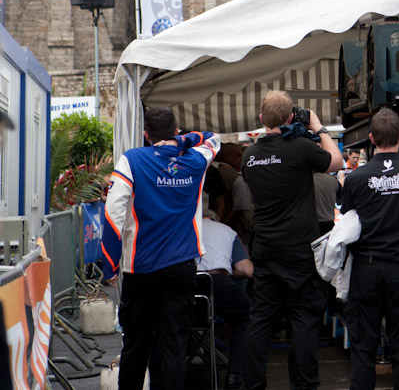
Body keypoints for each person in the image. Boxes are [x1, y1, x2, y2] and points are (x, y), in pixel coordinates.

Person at [100, 106, 221, 390]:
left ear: (145, 134)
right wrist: (180, 142)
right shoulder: (195, 159)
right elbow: (213, 138)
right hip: (181, 268)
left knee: (135, 345)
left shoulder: (132, 159)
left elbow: (112, 214)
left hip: (140, 269)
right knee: (173, 346)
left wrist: (110, 264)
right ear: (176, 131)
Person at [242, 91, 343, 390]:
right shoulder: (300, 148)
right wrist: (318, 126)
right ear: (290, 118)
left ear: (261, 118)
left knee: (260, 321)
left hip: (265, 248)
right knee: (303, 321)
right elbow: (336, 162)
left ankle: (253, 385)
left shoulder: (249, 155)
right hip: (299, 250)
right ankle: (304, 385)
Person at [341, 108, 399, 390]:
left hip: (366, 271)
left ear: (370, 139)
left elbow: (349, 222)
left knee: (362, 350)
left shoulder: (355, 178)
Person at [198, 212, 253, 390]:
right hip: (218, 282)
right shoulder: (227, 231)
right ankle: (234, 376)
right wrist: (230, 274)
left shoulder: (183, 226)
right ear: (215, 219)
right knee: (247, 315)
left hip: (185, 283)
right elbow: (246, 270)